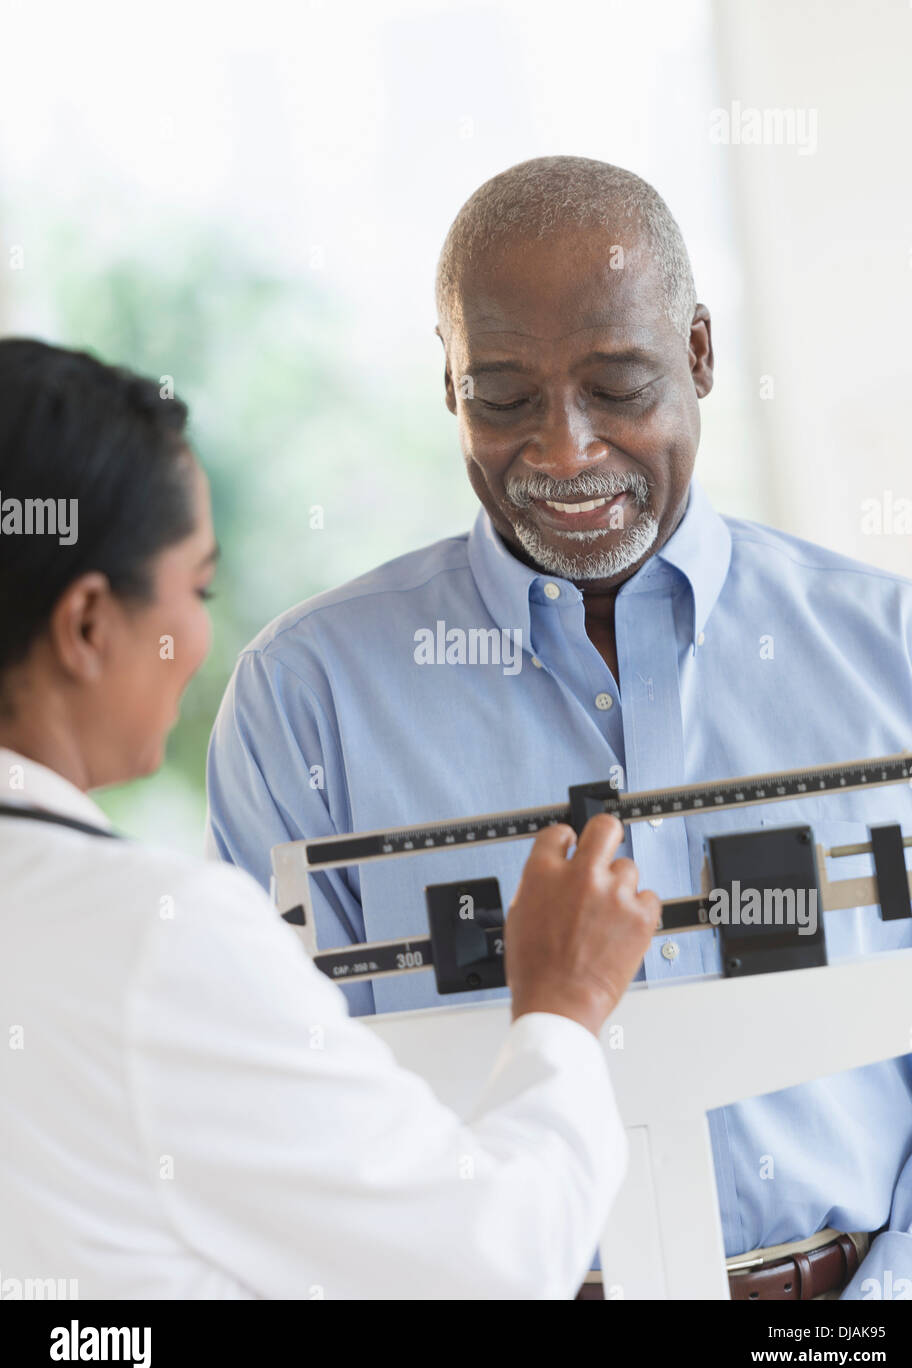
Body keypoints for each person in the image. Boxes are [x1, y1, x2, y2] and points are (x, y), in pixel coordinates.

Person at [206, 155, 912, 1302]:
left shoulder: (904, 653)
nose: (564, 449)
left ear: (699, 352)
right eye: (502, 397)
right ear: (447, 383)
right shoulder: (307, 701)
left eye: (620, 384)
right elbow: (295, 1126)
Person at [0, 337, 661, 1300]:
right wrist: (561, 1006)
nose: (204, 641)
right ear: (89, 624)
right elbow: (487, 1265)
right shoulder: (155, 938)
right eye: (199, 588)